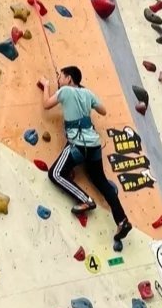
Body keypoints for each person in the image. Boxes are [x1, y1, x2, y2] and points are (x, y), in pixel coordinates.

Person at [41, 66, 132, 237]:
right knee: (102, 182)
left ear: (69, 78)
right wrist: (87, 102)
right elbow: (103, 111)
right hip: (94, 145)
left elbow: (46, 105)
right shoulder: (88, 93)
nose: (58, 80)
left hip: (78, 145)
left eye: (60, 77)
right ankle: (122, 220)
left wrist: (46, 85)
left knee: (55, 173)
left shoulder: (65, 91)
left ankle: (85, 200)